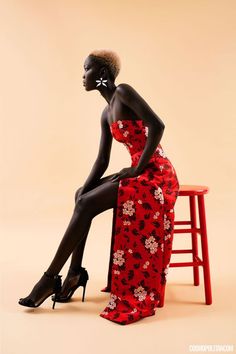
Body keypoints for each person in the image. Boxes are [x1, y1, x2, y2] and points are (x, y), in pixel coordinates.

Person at [18, 49, 179, 325]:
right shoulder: (106, 113)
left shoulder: (124, 93)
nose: (83, 76)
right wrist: (84, 186)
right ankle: (74, 273)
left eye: (87, 69)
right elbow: (102, 160)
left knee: (85, 203)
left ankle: (49, 280)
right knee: (81, 197)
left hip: (156, 174)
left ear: (103, 73)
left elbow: (158, 125)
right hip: (137, 173)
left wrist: (138, 167)